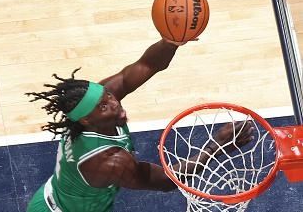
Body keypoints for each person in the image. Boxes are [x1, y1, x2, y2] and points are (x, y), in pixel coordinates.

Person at [25, 38, 253, 212]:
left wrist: (171, 41)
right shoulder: (109, 162)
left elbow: (146, 64)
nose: (113, 102)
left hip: (54, 198)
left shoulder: (91, 109)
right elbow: (166, 181)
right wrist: (217, 146)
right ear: (86, 120)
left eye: (108, 96)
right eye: (103, 106)